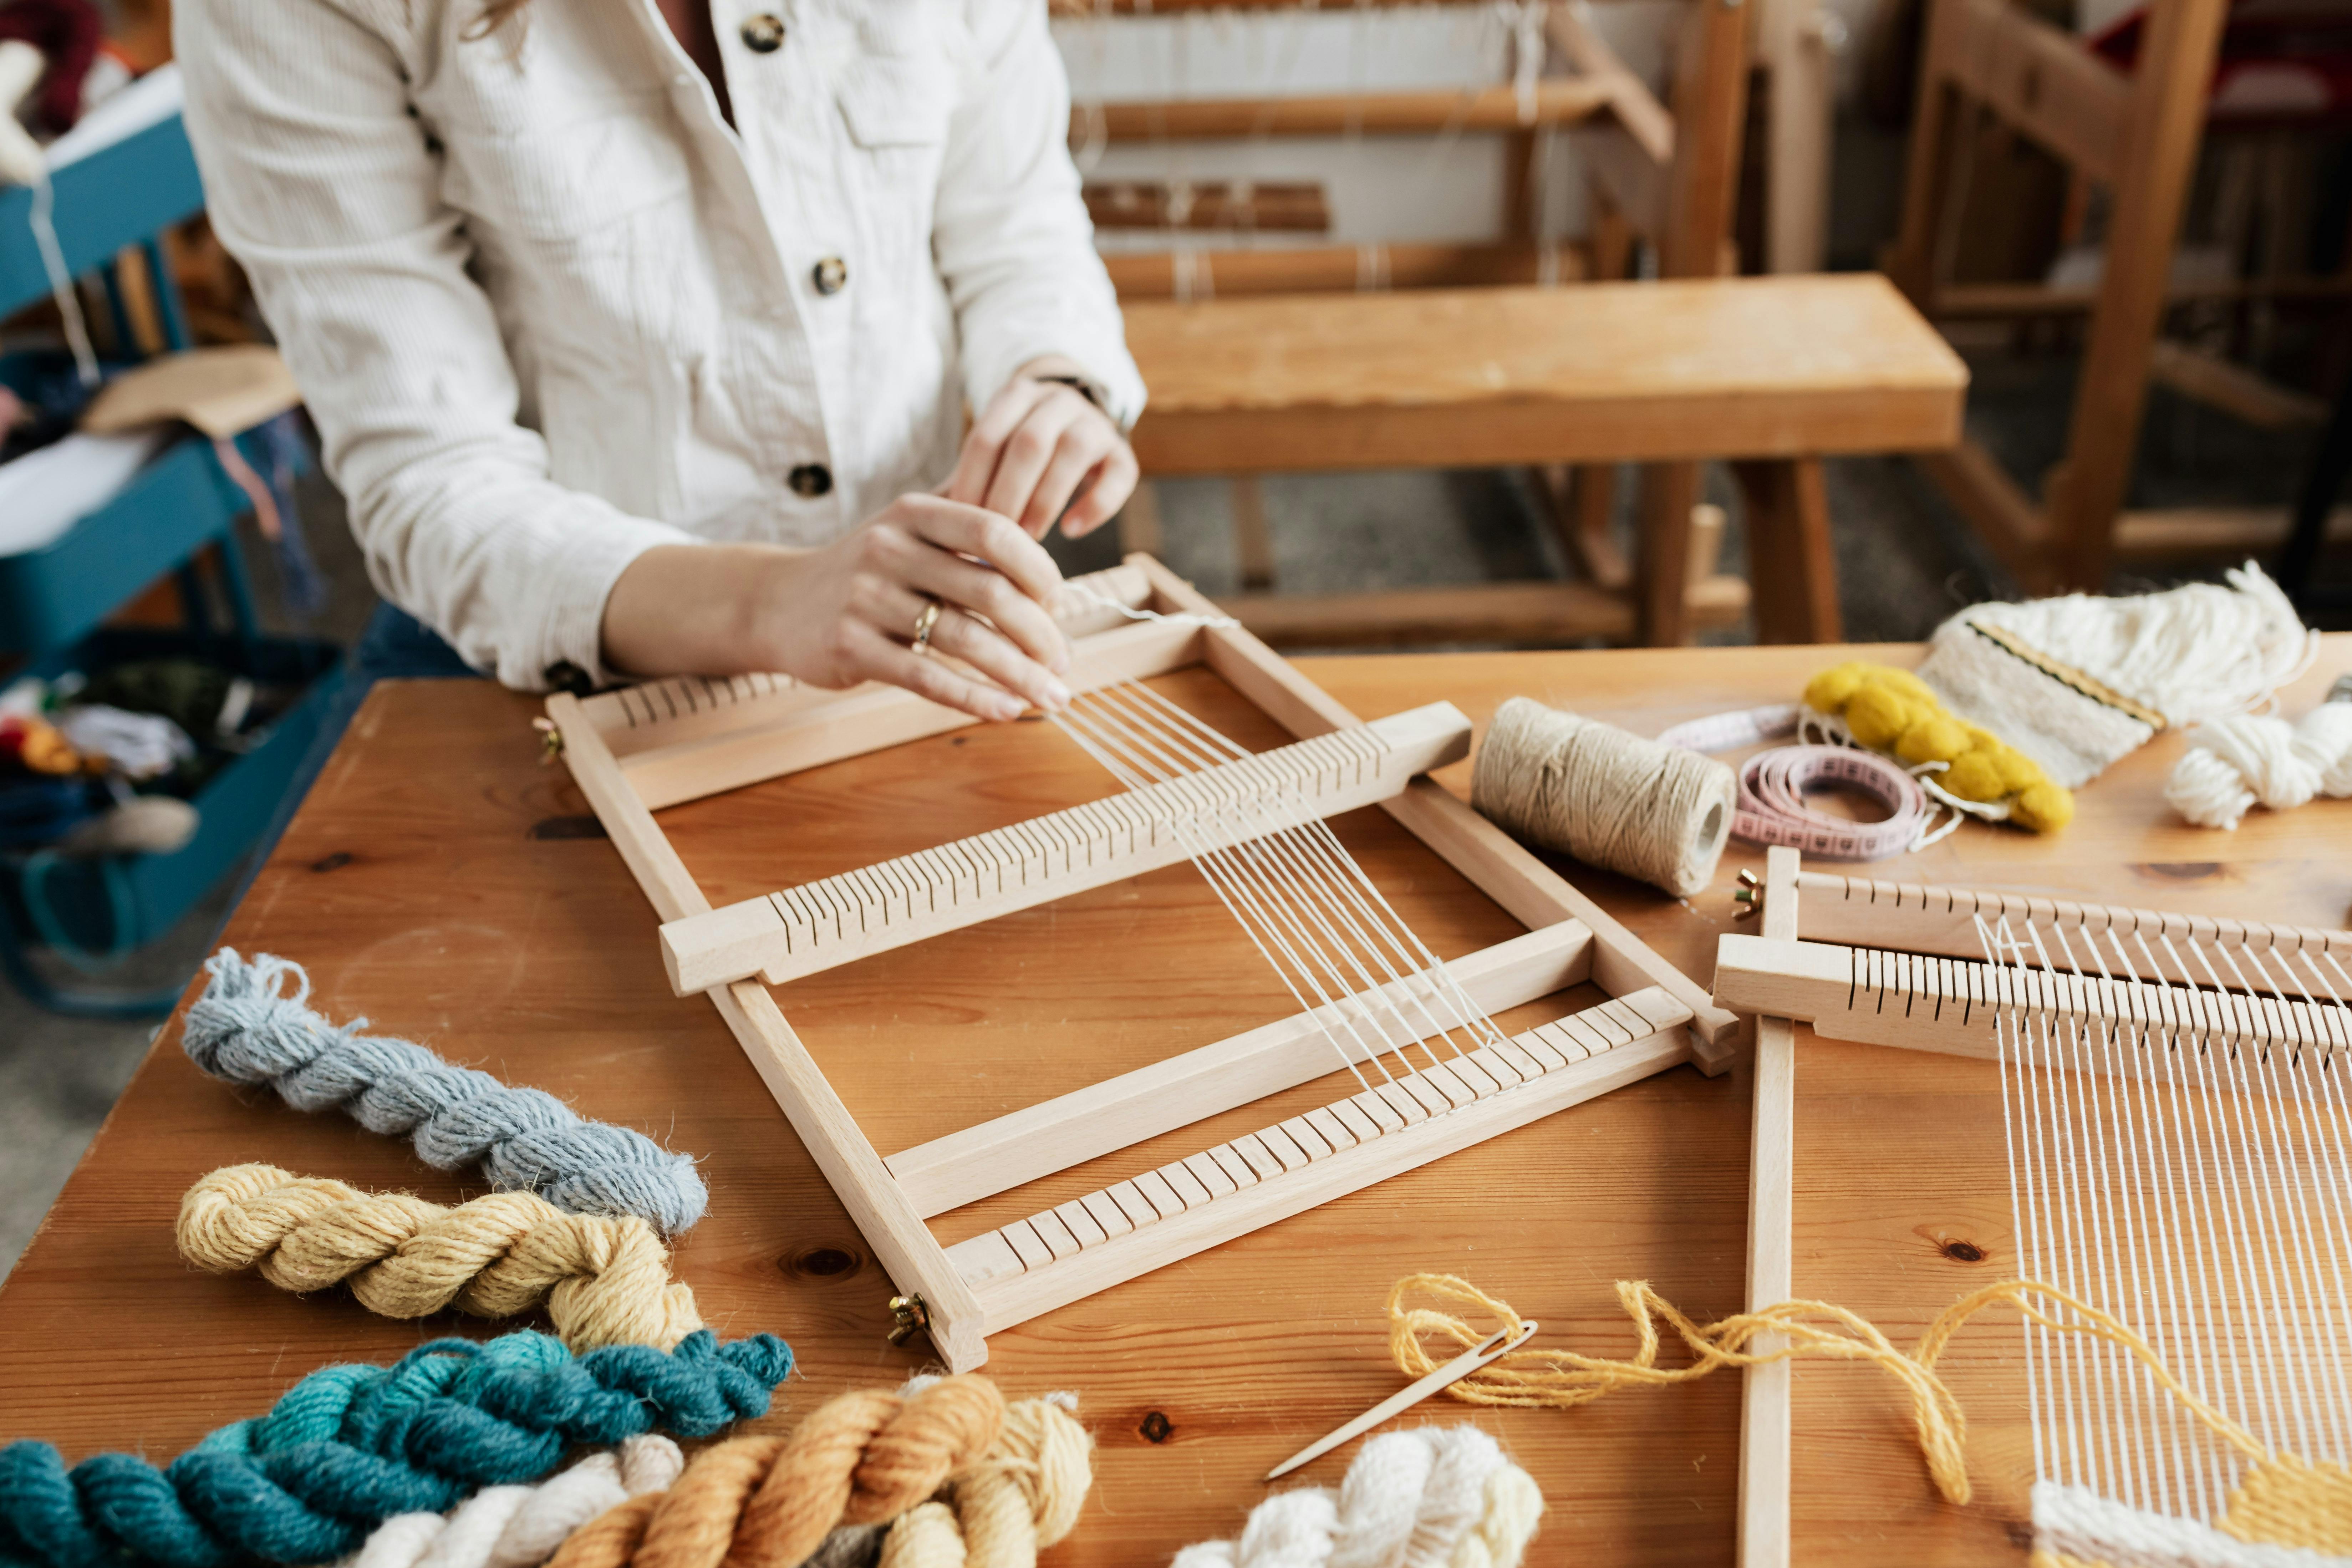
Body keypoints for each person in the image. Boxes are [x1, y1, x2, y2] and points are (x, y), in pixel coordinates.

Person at [173, 0, 1144, 722]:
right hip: (548, 666)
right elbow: (432, 477)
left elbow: (1015, 223)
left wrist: (1057, 375)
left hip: (921, 636)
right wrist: (776, 598)